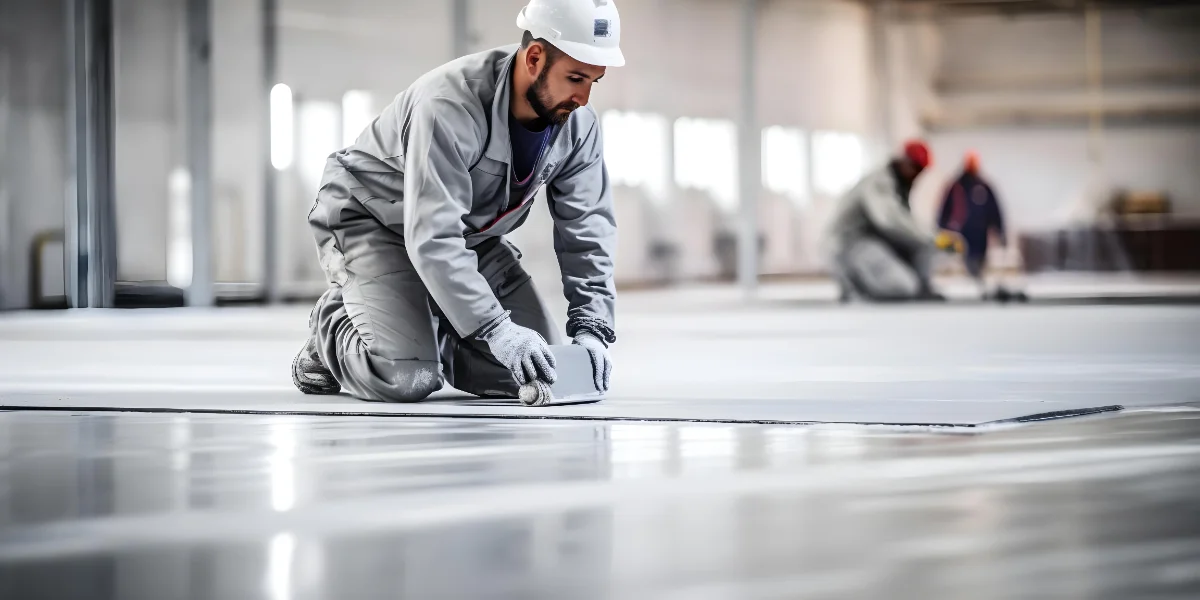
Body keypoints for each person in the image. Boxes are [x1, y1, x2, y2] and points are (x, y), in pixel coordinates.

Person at [292, 0, 623, 402]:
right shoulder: (449, 104)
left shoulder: (578, 127)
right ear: (534, 57)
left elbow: (587, 229)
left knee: (542, 369)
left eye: (593, 81)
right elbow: (433, 235)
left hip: (466, 238)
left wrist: (592, 328)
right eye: (575, 78)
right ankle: (335, 324)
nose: (584, 98)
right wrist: (494, 328)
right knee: (405, 376)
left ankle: (421, 314)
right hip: (373, 220)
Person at [824, 140, 960, 302]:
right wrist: (933, 238)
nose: (918, 176)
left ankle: (919, 287)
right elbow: (888, 221)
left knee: (921, 248)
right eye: (916, 169)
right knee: (902, 286)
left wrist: (930, 239)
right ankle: (857, 288)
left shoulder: (897, 186)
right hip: (850, 245)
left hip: (872, 242)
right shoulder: (879, 183)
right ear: (905, 163)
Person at [937, 151, 1008, 298]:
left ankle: (979, 290)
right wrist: (941, 229)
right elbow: (944, 210)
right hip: (960, 235)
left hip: (980, 235)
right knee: (963, 267)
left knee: (979, 266)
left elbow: (994, 210)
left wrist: (1000, 230)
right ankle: (966, 293)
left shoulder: (983, 186)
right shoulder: (955, 186)